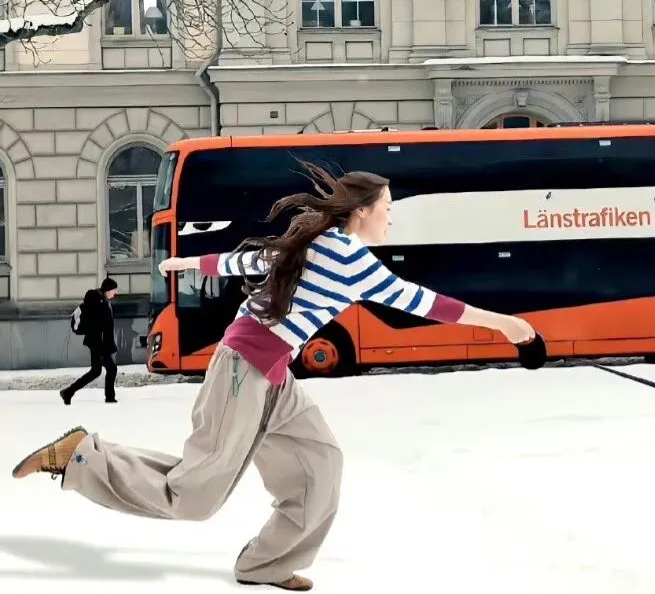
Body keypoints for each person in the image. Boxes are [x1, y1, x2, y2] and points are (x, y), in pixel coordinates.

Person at [12, 164, 537, 592]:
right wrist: (505, 324)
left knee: (320, 462)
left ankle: (266, 564)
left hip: (272, 374)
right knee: (194, 495)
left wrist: (192, 263)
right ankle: (82, 457)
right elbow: (424, 303)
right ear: (362, 211)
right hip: (245, 371)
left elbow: (250, 260)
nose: (391, 219)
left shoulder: (319, 243)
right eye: (388, 209)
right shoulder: (350, 259)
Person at [61, 277, 119, 405]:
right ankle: (109, 398)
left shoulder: (103, 301)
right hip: (99, 344)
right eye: (114, 290)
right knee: (110, 369)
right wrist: (103, 345)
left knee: (96, 371)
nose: (116, 293)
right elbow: (98, 325)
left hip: (99, 343)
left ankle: (68, 392)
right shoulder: (99, 302)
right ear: (108, 290)